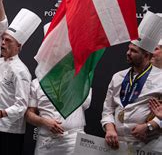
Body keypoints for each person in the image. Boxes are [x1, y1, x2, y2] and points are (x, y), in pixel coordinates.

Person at [101, 11, 162, 150]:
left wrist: (149, 126)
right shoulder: (118, 77)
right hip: (118, 144)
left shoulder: (160, 77)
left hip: (148, 144)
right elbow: (108, 109)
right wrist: (109, 129)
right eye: (128, 49)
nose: (128, 53)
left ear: (146, 55)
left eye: (134, 51)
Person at [0, 8, 40, 154]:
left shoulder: (21, 70)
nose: (3, 43)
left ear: (19, 46)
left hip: (11, 130)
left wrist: (2, 113)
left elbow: (22, 105)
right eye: (3, 39)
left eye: (8, 40)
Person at [26, 78, 91, 154]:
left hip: (73, 141)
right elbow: (28, 115)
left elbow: (85, 105)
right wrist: (44, 122)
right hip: (46, 142)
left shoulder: (79, 80)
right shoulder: (36, 83)